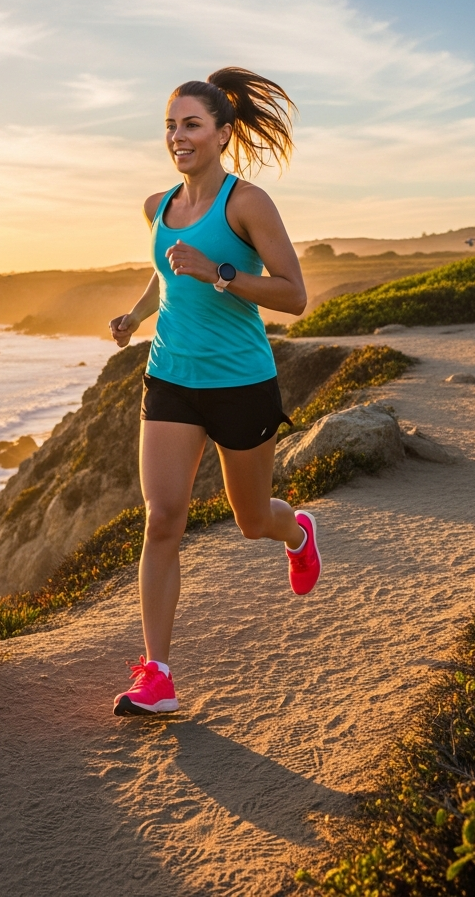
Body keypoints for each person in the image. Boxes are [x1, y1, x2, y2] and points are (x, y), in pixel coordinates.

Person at [108, 67, 321, 717]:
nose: (178, 136)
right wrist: (137, 316)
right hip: (171, 376)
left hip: (240, 382)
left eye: (191, 124)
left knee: (251, 519)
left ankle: (297, 532)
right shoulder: (157, 206)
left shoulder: (245, 204)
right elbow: (164, 273)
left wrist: (221, 271)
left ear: (223, 133)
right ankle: (158, 673)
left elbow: (295, 296)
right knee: (163, 518)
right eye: (170, 125)